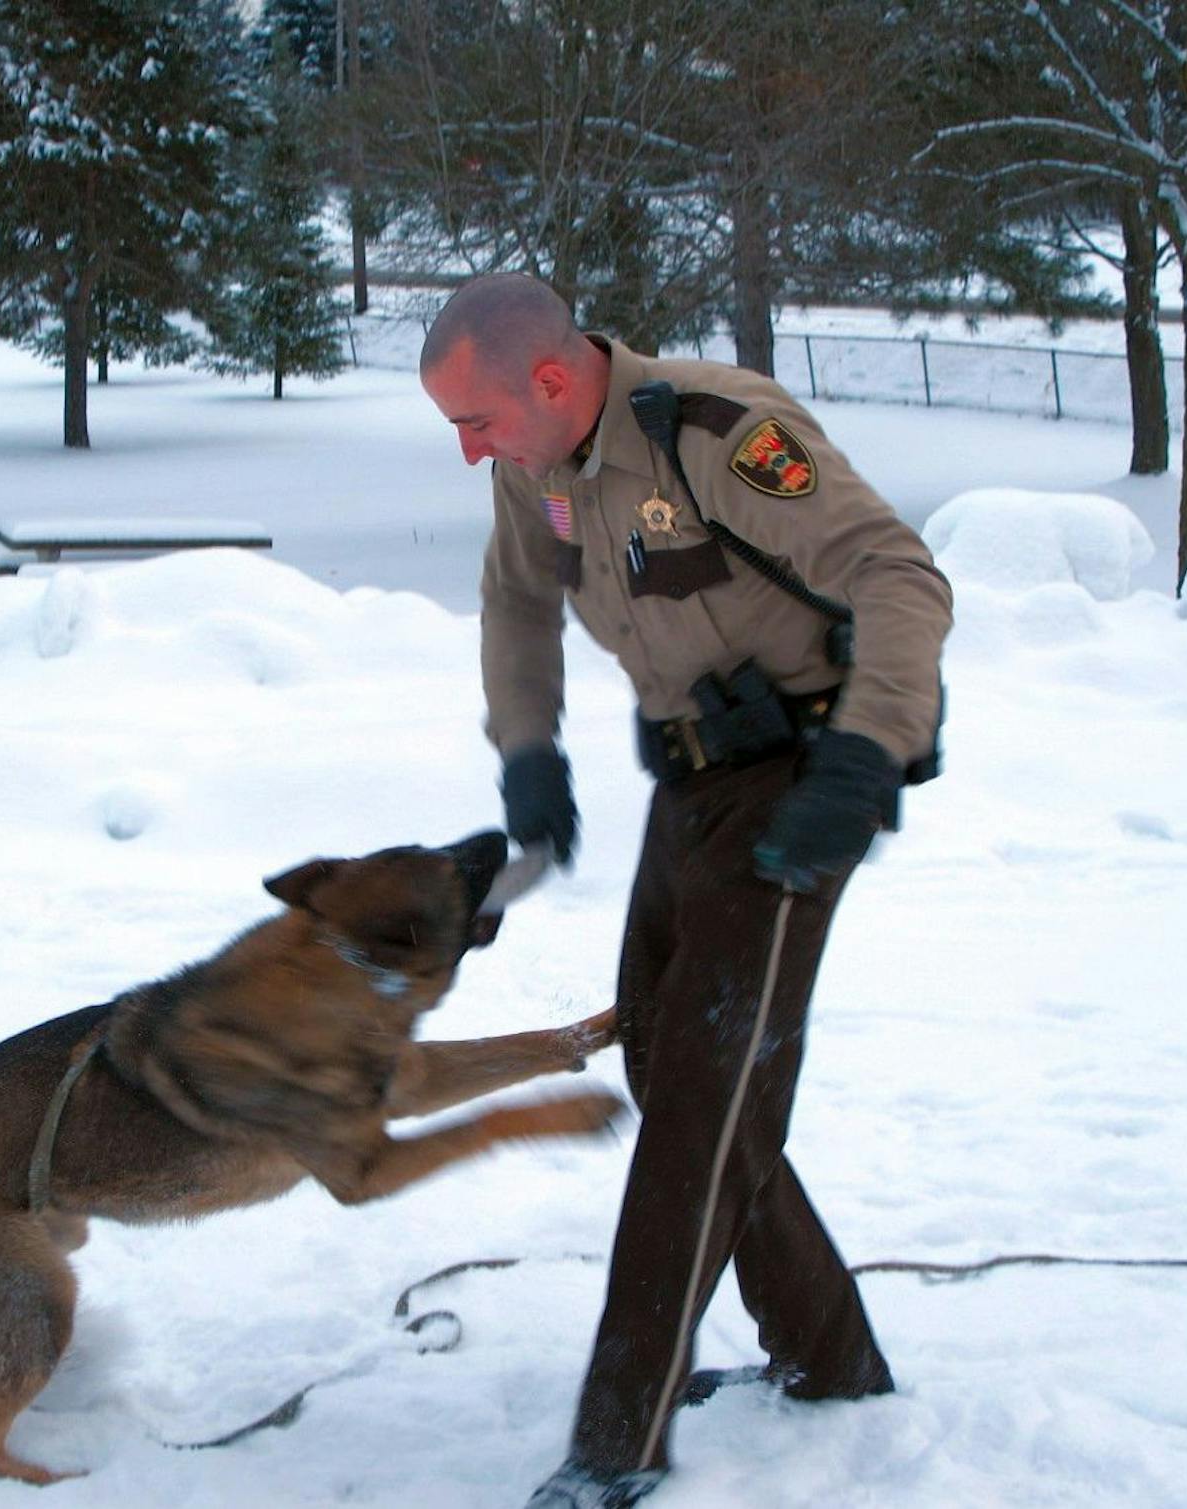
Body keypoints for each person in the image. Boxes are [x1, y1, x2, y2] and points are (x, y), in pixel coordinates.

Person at [419, 274, 952, 1509]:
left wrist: (866, 761)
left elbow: (899, 578)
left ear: (551, 380)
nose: (468, 452)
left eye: (477, 421)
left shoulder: (712, 432)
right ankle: (829, 1359)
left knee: (703, 1102)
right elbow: (515, 600)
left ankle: (619, 1440)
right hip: (696, 781)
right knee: (670, 1059)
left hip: (803, 777)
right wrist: (529, 756)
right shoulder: (536, 463)